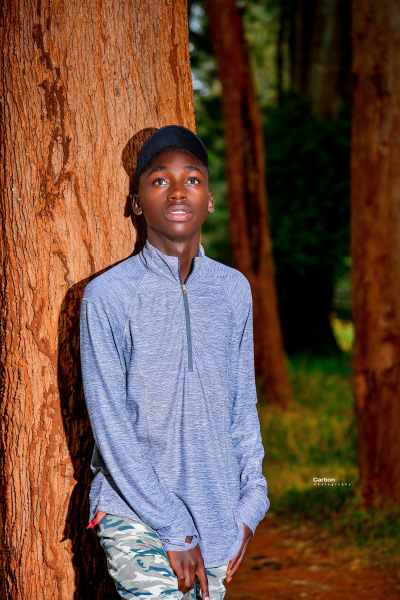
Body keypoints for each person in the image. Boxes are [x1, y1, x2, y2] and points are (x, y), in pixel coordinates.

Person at [79, 125, 270, 599]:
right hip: (135, 513)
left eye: (193, 179)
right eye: (160, 179)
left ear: (209, 200)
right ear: (137, 203)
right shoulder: (108, 296)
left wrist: (252, 503)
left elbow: (242, 407)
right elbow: (111, 424)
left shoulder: (233, 290)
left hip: (217, 517)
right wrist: (172, 527)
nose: (178, 190)